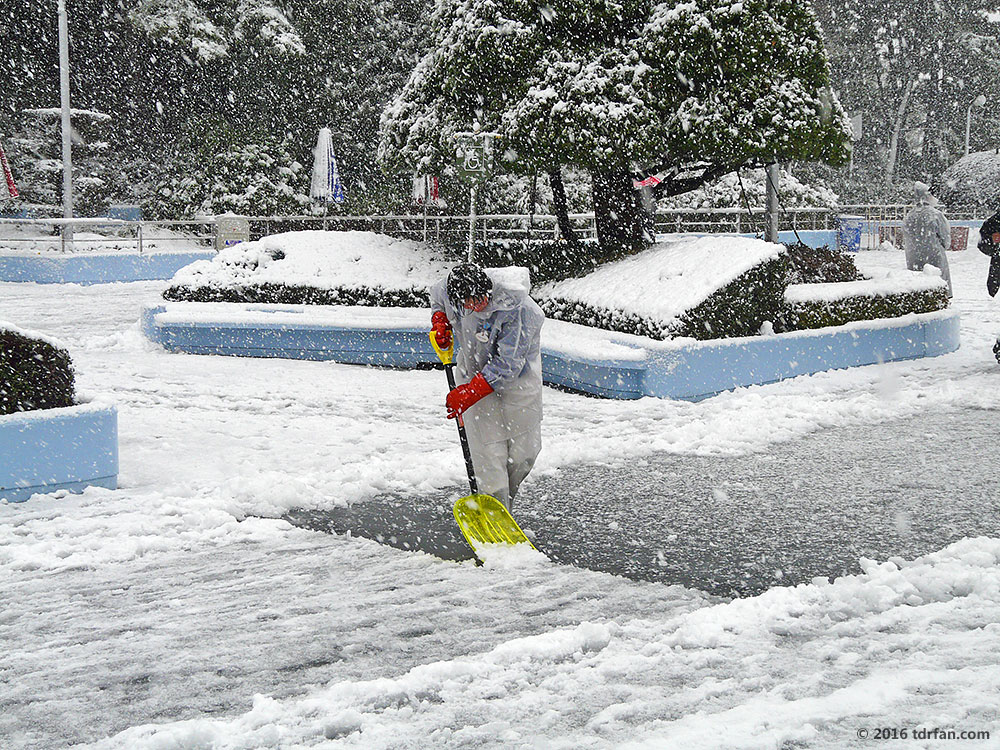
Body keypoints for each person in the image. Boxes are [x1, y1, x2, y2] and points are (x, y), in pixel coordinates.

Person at [429, 262, 544, 512]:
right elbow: (437, 296)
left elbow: (508, 364)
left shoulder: (520, 310)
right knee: (488, 456)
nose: (474, 306)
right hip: (473, 376)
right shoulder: (453, 291)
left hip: (518, 386)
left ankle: (504, 502)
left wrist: (471, 393)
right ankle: (495, 511)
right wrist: (439, 321)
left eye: (479, 299)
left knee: (524, 454)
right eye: (467, 302)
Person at [902, 181, 952, 297]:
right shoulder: (935, 215)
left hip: (914, 257)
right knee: (939, 286)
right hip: (935, 255)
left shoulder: (909, 216)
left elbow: (906, 237)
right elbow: (946, 238)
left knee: (919, 289)